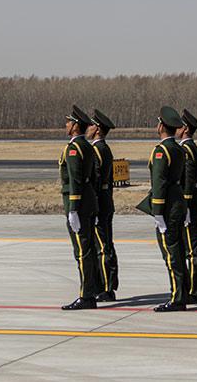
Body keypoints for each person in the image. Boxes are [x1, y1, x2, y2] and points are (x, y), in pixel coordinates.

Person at [136, 106, 189, 312]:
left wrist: (157, 211)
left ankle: (177, 297)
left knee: (171, 251)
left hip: (167, 206)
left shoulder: (162, 151)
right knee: (178, 249)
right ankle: (182, 292)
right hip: (177, 201)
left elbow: (158, 183)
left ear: (161, 126)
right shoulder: (178, 149)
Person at [59, 105, 100, 310]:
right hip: (88, 202)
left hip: (78, 203)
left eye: (68, 121)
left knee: (82, 250)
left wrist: (73, 208)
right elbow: (93, 179)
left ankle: (86, 295)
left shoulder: (74, 148)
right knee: (89, 249)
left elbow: (75, 180)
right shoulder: (87, 146)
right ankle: (92, 290)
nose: (65, 125)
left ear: (75, 125)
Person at [88, 108, 119, 302]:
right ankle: (108, 285)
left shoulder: (98, 150)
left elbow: (97, 181)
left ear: (98, 129)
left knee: (102, 246)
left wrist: (94, 206)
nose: (88, 128)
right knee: (106, 243)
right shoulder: (104, 149)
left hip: (100, 204)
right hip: (106, 202)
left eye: (91, 125)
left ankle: (106, 288)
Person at [179, 108, 197, 304]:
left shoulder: (187, 150)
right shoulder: (191, 148)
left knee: (191, 249)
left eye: (179, 125)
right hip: (194, 202)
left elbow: (189, 180)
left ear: (186, 128)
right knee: (193, 247)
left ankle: (193, 290)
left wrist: (186, 205)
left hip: (191, 204)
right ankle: (195, 288)